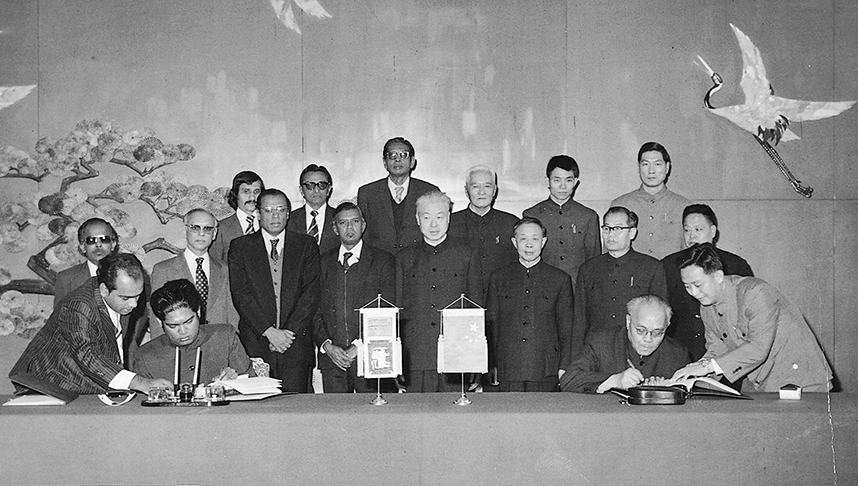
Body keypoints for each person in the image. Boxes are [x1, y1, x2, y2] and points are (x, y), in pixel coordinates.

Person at [671, 244, 832, 392]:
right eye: (687, 286)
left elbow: (758, 347)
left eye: (698, 285)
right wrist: (691, 375)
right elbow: (717, 348)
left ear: (718, 276)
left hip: (801, 379)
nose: (693, 293)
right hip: (762, 381)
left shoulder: (755, 292)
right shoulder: (707, 307)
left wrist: (707, 367)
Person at [9, 254, 172, 394]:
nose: (134, 304)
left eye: (138, 296)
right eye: (125, 298)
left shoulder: (121, 297)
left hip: (82, 381)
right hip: (47, 385)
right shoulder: (79, 306)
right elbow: (87, 355)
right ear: (104, 290)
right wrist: (140, 383)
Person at [229, 188, 320, 392]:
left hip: (295, 344)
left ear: (288, 213)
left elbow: (311, 293)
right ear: (258, 213)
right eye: (269, 210)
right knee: (258, 407)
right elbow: (240, 295)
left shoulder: (306, 245)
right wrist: (269, 332)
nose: (275, 215)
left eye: (281, 209)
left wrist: (287, 335)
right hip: (256, 343)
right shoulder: (241, 247)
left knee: (296, 405)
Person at [395, 191, 481, 392]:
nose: (433, 224)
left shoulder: (467, 254)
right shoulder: (404, 258)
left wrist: (475, 359)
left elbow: (475, 308)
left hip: (457, 354)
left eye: (440, 217)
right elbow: (398, 311)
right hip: (415, 357)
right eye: (426, 218)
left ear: (449, 217)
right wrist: (398, 360)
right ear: (418, 219)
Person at [313, 202, 395, 393]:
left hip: (371, 356)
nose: (350, 227)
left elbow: (387, 310)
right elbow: (314, 310)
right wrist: (327, 346)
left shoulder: (383, 261)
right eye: (343, 223)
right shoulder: (322, 262)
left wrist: (359, 346)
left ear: (363, 225)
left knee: (373, 409)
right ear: (335, 228)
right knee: (337, 411)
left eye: (355, 221)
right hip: (333, 360)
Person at [485, 217, 573, 392]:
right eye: (523, 239)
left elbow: (566, 328)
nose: (529, 245)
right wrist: (490, 364)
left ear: (543, 242)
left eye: (535, 238)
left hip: (546, 368)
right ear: (514, 242)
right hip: (508, 367)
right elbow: (491, 326)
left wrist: (564, 366)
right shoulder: (499, 277)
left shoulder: (560, 279)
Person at [572, 207, 668, 359]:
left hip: (635, 351)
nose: (611, 235)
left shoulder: (651, 267)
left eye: (617, 228)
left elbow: (661, 317)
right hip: (597, 351)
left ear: (632, 233)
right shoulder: (588, 268)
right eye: (606, 228)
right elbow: (580, 320)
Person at [662, 204, 753, 360]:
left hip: (726, 349)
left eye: (698, 229)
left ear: (713, 231)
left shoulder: (736, 264)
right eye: (686, 230)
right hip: (682, 348)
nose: (692, 236)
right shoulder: (668, 265)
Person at [561, 295, 689, 393]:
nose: (648, 339)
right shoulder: (602, 342)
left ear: (667, 325)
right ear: (628, 321)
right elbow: (568, 381)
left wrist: (667, 391)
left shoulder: (677, 353)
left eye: (657, 333)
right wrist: (614, 380)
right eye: (640, 330)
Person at [134, 279, 253, 384]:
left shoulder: (225, 337)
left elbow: (252, 383)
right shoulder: (145, 356)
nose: (182, 331)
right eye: (173, 326)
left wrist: (237, 379)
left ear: (199, 312)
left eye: (188, 322)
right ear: (160, 322)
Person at [149, 208, 237, 338]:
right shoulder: (163, 270)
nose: (201, 233)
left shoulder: (226, 269)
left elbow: (233, 316)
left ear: (214, 234)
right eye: (195, 228)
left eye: (207, 229)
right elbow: (156, 320)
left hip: (218, 342)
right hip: (179, 343)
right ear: (185, 230)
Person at [522, 155, 600, 284]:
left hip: (576, 287)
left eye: (568, 180)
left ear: (575, 182)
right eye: (557, 180)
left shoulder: (588, 216)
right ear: (548, 181)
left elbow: (594, 262)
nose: (563, 186)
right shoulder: (532, 215)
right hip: (542, 285)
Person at [357, 137, 439, 255]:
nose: (397, 159)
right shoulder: (368, 193)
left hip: (419, 260)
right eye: (392, 155)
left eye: (403, 155)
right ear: (385, 162)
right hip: (379, 261)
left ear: (412, 162)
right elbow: (364, 235)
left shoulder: (429, 191)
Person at [611, 142, 691, 259]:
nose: (651, 170)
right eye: (645, 164)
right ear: (639, 167)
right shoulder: (621, 204)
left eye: (657, 164)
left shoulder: (684, 206)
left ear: (667, 167)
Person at [449, 165, 518, 296]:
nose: (482, 192)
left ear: (495, 190)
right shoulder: (451, 223)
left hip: (501, 297)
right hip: (462, 299)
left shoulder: (510, 223)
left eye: (487, 186)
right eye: (475, 186)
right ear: (466, 191)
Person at [53, 218, 119, 308]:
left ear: (113, 244)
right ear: (83, 247)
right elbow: (59, 315)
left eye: (104, 239)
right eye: (91, 240)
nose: (98, 245)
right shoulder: (66, 279)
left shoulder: (128, 274)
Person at [210, 170, 264, 262]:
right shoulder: (221, 228)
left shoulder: (269, 223)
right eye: (246, 191)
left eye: (256, 192)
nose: (252, 197)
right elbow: (215, 264)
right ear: (235, 194)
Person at [287, 164, 339, 256]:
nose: (316, 190)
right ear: (301, 190)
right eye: (310, 185)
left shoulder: (339, 218)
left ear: (329, 189)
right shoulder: (289, 220)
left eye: (322, 185)